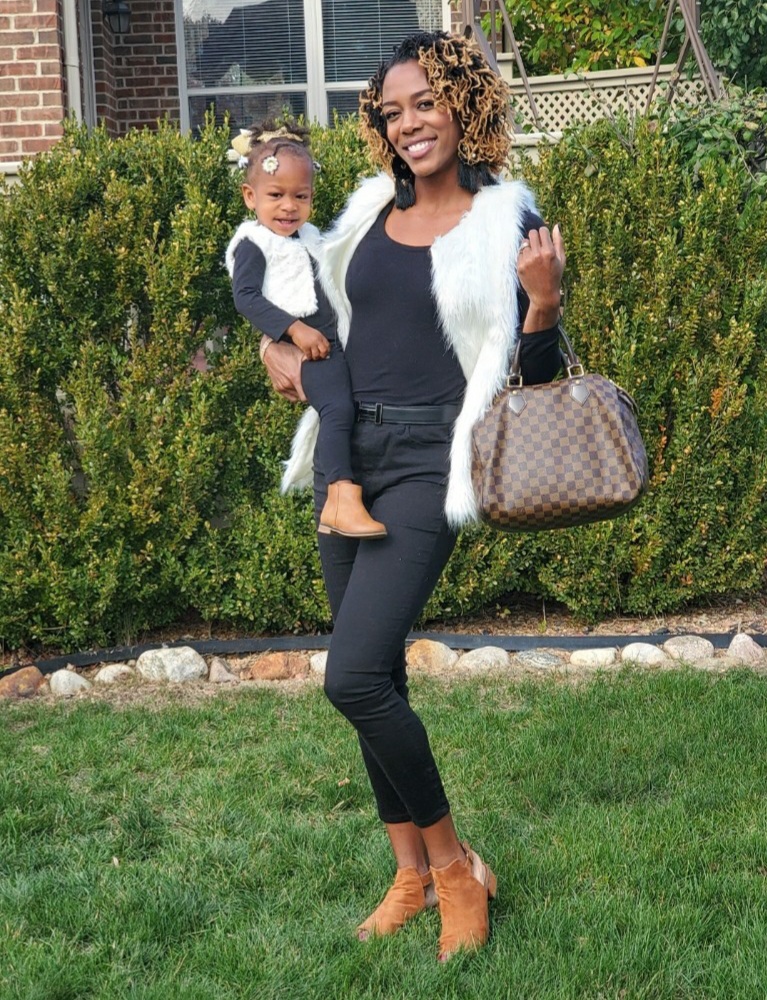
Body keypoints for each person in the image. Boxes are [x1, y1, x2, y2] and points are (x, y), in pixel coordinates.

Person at [261, 32, 565, 960]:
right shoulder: (362, 215)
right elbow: (317, 318)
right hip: (349, 459)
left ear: (462, 104)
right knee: (377, 678)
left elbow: (533, 379)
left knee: (350, 676)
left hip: (435, 459)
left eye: (424, 103)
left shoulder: (505, 220)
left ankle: (455, 869)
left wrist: (544, 304)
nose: (408, 124)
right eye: (391, 112)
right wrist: (278, 346)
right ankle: (409, 876)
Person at [226, 119, 387, 539]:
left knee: (351, 405)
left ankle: (359, 485)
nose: (288, 207)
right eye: (275, 195)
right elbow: (246, 297)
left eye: (301, 196)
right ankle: (340, 497)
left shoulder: (310, 236)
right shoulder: (253, 244)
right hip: (308, 347)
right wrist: (293, 331)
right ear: (250, 196)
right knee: (336, 408)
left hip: (333, 340)